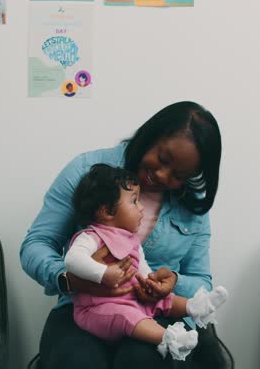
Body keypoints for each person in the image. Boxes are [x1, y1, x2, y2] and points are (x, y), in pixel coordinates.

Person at [21, 101, 223, 368]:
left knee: (142, 360)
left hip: (155, 315)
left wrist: (169, 282)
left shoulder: (192, 206)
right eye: (162, 159)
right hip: (84, 308)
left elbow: (201, 283)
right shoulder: (87, 170)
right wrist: (73, 280)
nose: (162, 175)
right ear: (150, 135)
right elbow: (37, 244)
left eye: (179, 175)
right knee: (78, 362)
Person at [65, 164, 227, 361]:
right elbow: (73, 260)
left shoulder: (131, 238)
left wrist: (150, 282)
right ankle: (170, 338)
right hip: (97, 309)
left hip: (131, 299)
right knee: (126, 315)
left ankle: (195, 306)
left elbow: (141, 265)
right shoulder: (92, 236)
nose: (141, 207)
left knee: (164, 299)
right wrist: (104, 274)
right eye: (134, 202)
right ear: (107, 212)